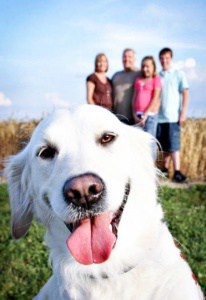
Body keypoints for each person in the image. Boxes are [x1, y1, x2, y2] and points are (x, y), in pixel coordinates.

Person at [156, 47, 189, 183]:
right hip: (159, 116)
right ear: (160, 60)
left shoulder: (178, 74)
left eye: (167, 58)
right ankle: (164, 169)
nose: (164, 61)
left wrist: (183, 113)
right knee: (164, 146)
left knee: (174, 145)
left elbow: (185, 93)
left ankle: (177, 171)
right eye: (162, 58)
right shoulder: (157, 76)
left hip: (173, 116)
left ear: (171, 59)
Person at [132, 55, 161, 137]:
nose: (145, 69)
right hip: (138, 115)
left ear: (153, 67)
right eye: (143, 66)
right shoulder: (138, 80)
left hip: (150, 116)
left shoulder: (156, 79)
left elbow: (155, 98)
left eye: (147, 66)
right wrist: (134, 114)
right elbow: (134, 98)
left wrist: (145, 114)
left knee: (149, 142)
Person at [112, 48, 140, 124]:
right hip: (117, 119)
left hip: (134, 119)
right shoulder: (116, 76)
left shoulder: (139, 74)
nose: (126, 59)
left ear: (134, 59)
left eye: (129, 57)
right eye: (124, 57)